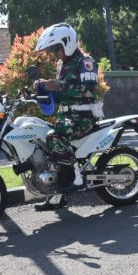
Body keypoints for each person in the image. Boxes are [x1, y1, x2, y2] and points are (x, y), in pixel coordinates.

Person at [33, 23, 100, 211]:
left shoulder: (85, 62)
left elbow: (88, 90)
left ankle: (75, 178)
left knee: (54, 136)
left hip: (83, 117)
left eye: (56, 49)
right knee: (44, 143)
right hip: (66, 116)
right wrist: (44, 87)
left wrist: (58, 85)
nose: (55, 54)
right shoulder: (62, 64)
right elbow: (60, 91)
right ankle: (56, 196)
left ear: (67, 43)